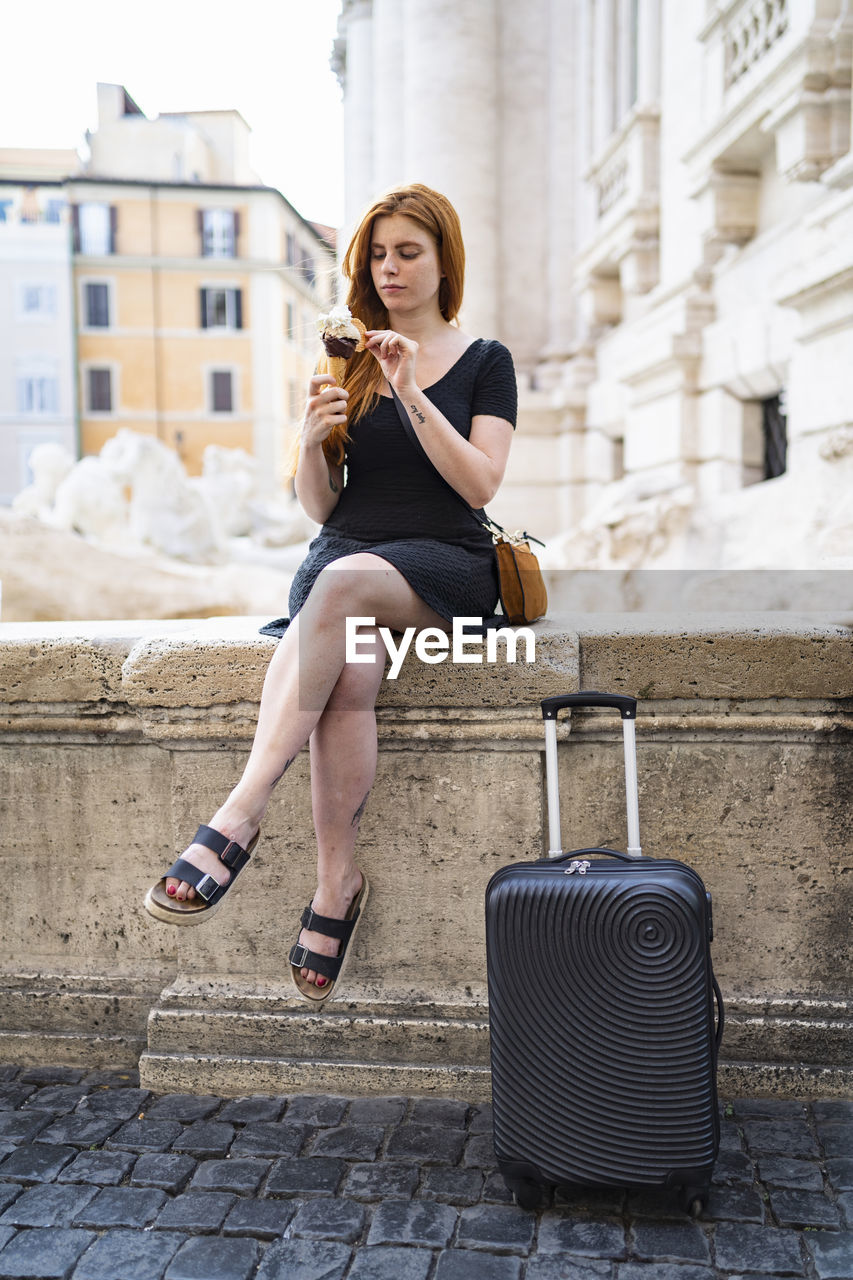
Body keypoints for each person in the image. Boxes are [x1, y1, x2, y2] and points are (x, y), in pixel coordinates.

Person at [143, 183, 518, 1004]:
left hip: (440, 565)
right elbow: (321, 506)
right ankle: (334, 886)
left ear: (442, 261)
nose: (389, 268)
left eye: (407, 252)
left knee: (344, 588)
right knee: (349, 676)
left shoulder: (485, 361)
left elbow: (481, 485)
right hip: (345, 558)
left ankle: (238, 813)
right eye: (377, 254)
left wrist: (411, 389)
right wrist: (310, 446)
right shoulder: (342, 357)